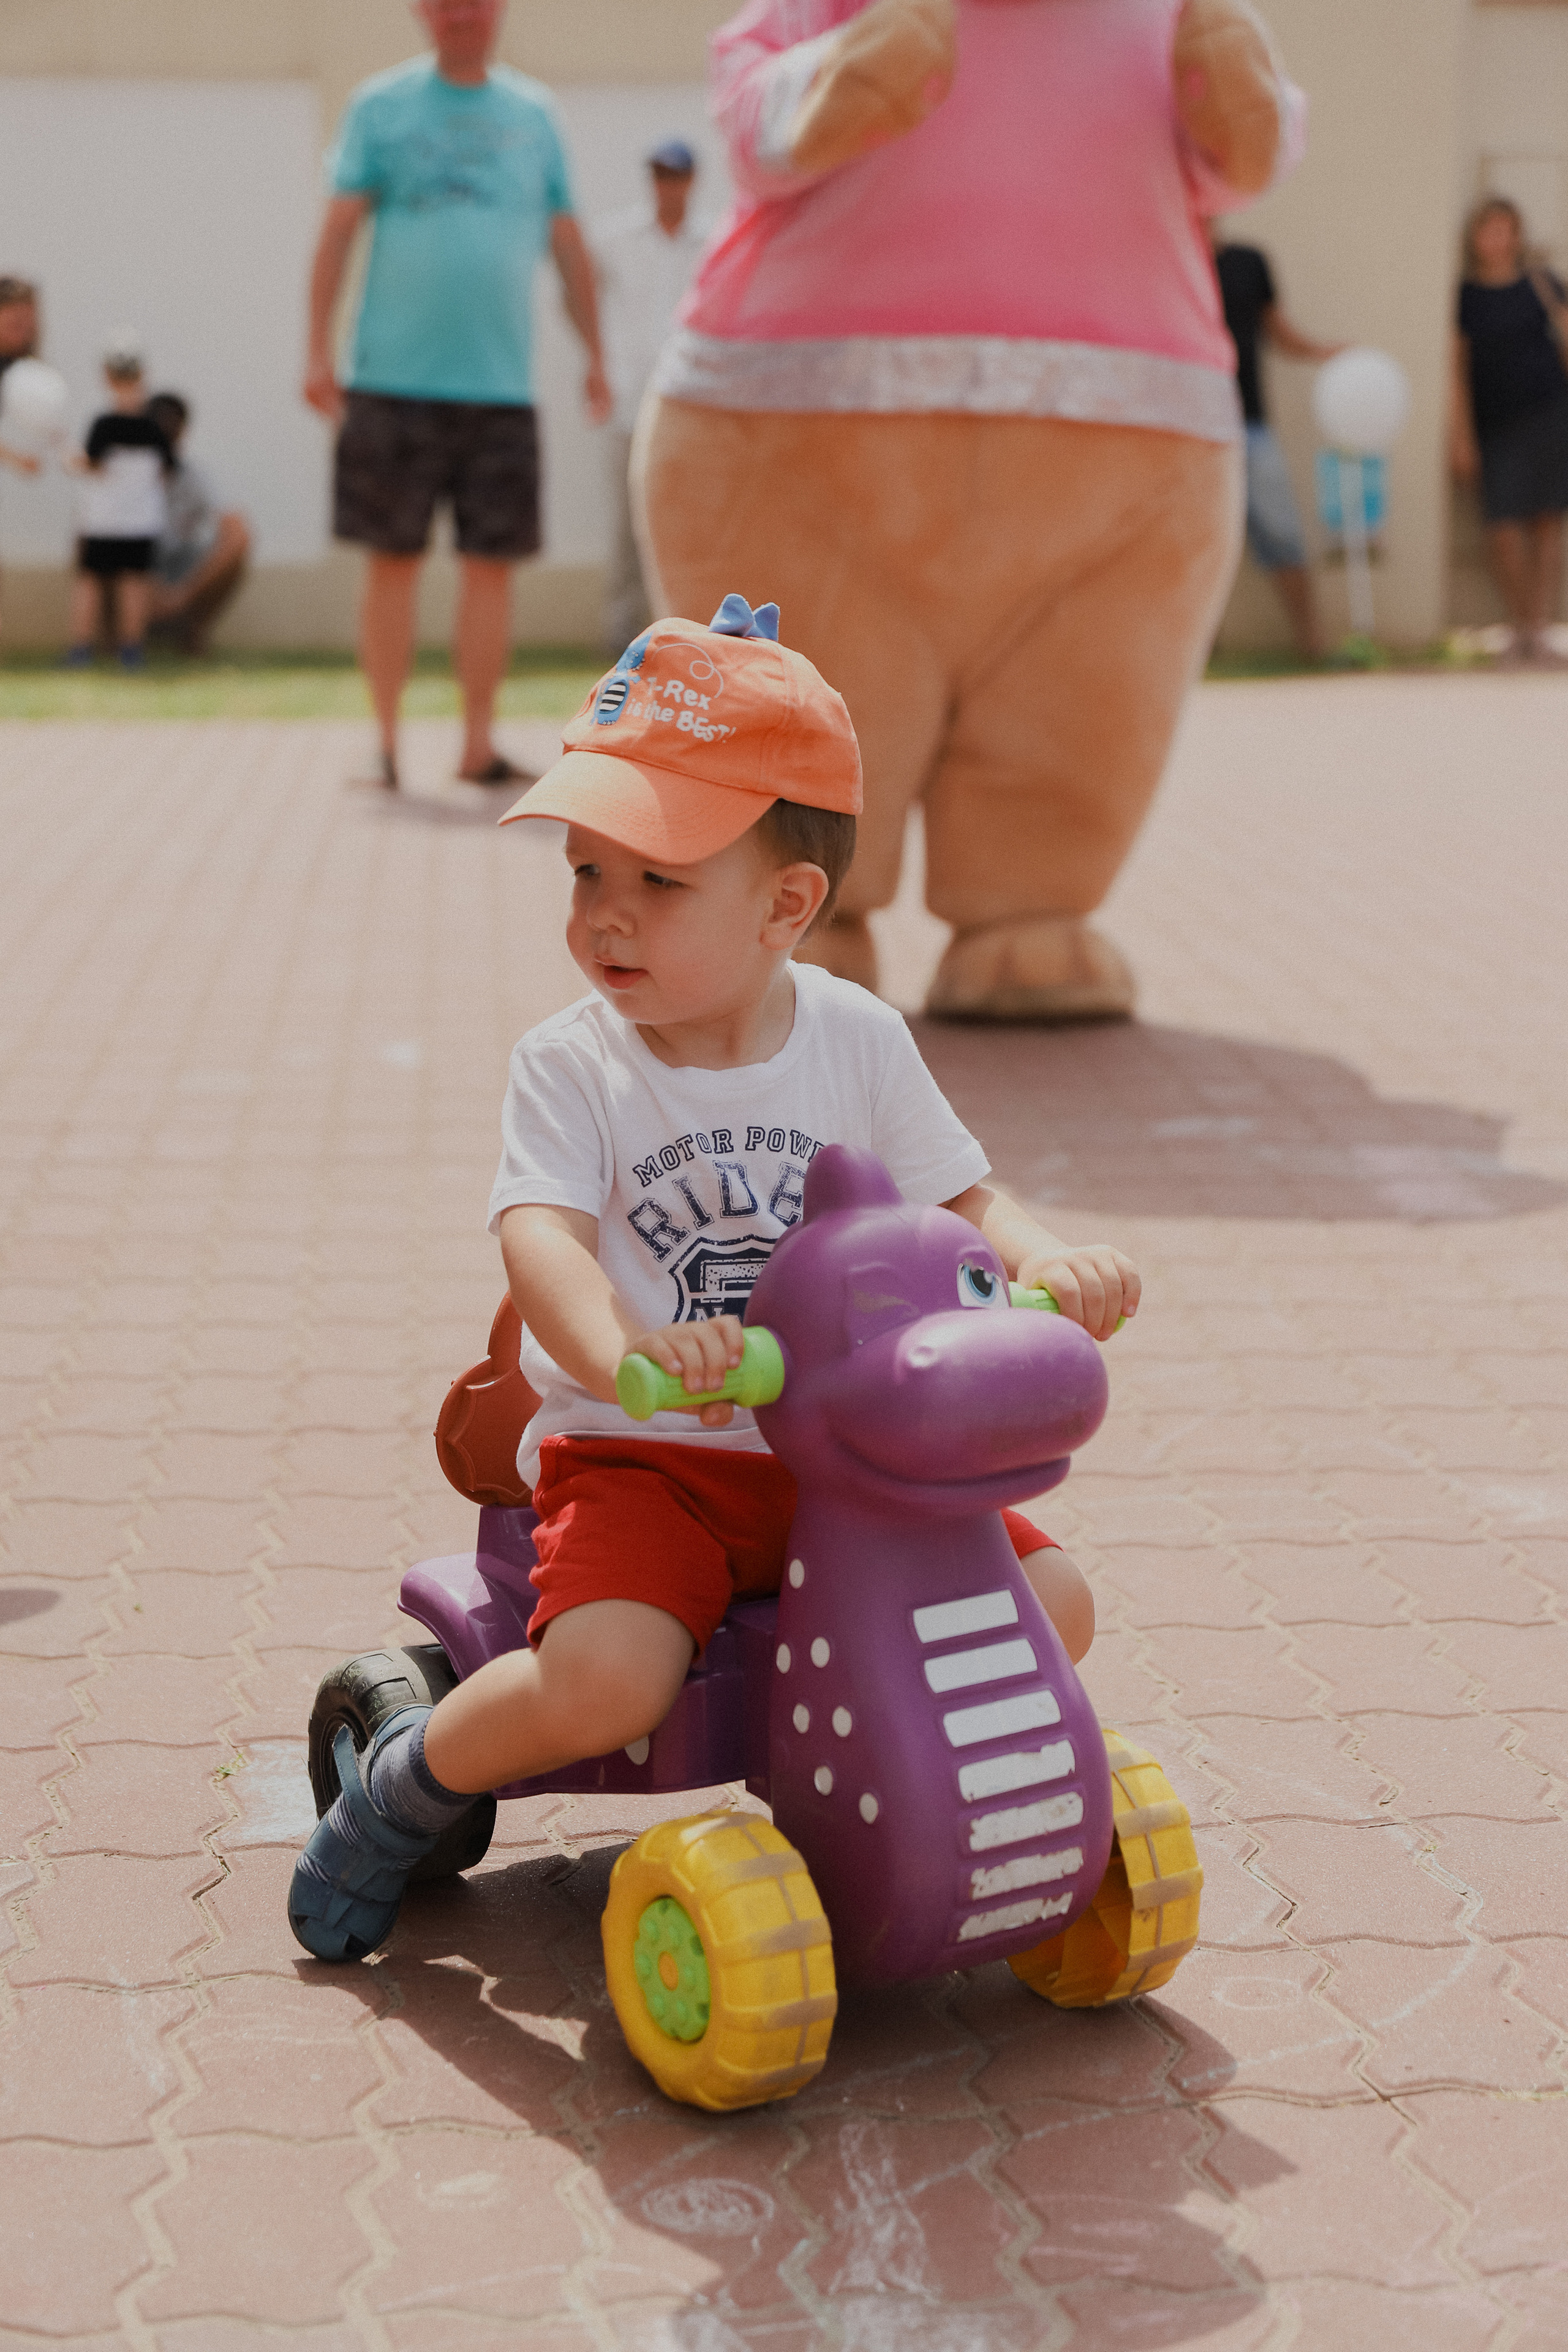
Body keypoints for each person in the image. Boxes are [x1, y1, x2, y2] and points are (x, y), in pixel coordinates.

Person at [287, 592, 1141, 1964]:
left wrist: (1044, 1259)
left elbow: (961, 1194)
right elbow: (541, 1237)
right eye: (585, 873)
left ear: (785, 905)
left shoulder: (855, 1039)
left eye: (658, 883)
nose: (604, 918)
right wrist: (624, 1349)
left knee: (1055, 1609)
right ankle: (403, 1785)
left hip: (846, 1458)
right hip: (649, 1462)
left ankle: (886, 1811)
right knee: (609, 1682)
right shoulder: (575, 1066)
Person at [304, 0, 611, 793]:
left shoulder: (534, 114)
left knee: (491, 570)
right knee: (391, 564)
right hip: (391, 382)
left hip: (499, 388)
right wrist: (316, 352)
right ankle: (383, 744)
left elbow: (567, 243)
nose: (459, 13)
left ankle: (478, 746)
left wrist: (596, 355)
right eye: (442, 1)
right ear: (421, 11)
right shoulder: (380, 106)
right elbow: (337, 232)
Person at [593, 138, 708, 652]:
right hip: (630, 404)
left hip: (690, 407)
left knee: (692, 523)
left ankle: (689, 630)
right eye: (660, 175)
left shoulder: (712, 242)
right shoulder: (616, 241)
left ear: (691, 181)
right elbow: (579, 296)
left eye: (676, 176)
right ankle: (621, 634)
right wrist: (598, 365)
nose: (668, 186)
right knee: (627, 525)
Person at [1213, 235, 1343, 662]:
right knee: (1188, 546)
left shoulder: (1248, 261)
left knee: (1284, 535)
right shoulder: (1167, 256)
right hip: (1189, 427)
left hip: (1250, 424)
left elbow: (1276, 329)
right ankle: (1194, 654)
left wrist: (1323, 352)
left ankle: (1313, 644)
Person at [1451, 196, 1568, 668]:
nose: (1496, 239)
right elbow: (1457, 370)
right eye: (1488, 229)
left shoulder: (1543, 283)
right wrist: (1461, 438)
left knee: (1547, 525)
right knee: (1501, 529)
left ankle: (1538, 631)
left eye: (1505, 230)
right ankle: (1517, 626)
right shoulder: (1465, 296)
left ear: (1517, 236)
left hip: (1550, 416)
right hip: (1495, 425)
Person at [64, 336, 173, 671]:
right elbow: (167, 471)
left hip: (103, 521)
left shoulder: (104, 424)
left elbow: (93, 464)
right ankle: (131, 650)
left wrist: (73, 460)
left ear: (107, 377)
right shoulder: (155, 427)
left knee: (90, 582)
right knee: (133, 583)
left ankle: (81, 649)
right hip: (140, 522)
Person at [142, 393, 252, 655]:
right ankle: (120, 635)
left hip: (179, 570)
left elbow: (237, 532)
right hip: (138, 570)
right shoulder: (124, 475)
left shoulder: (195, 476)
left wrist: (181, 595)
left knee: (236, 543)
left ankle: (191, 631)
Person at [0, 278, 45, 642]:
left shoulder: (23, 371)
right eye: (15, 319)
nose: (25, 328)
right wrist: (16, 459)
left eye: (29, 320)